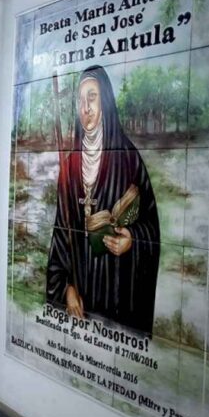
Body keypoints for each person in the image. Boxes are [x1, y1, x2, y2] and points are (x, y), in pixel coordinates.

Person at [46, 65, 160, 334]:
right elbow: (62, 236)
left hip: (116, 291)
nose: (86, 107)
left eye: (93, 97)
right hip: (81, 289)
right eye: (81, 100)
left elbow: (151, 226)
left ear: (105, 101)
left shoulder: (129, 158)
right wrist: (66, 288)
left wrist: (132, 239)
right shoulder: (70, 164)